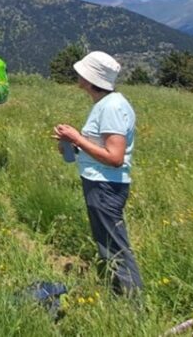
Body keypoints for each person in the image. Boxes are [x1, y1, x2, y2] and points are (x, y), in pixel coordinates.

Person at [52, 51, 143, 295]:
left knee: (115, 246)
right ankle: (119, 293)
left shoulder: (111, 107)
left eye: (83, 71)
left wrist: (77, 139)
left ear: (93, 78)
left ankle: (131, 302)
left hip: (105, 186)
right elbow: (98, 149)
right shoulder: (106, 104)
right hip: (100, 183)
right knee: (107, 243)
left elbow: (114, 157)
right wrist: (69, 143)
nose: (78, 74)